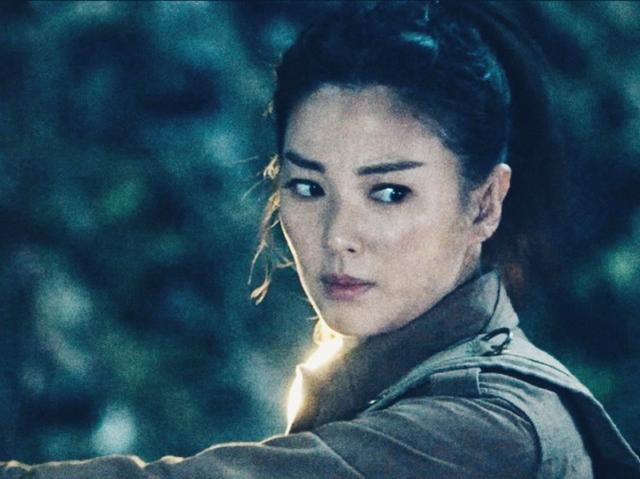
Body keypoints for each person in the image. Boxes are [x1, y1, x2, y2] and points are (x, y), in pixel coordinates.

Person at [2, 1, 639, 478]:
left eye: (388, 193)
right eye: (308, 187)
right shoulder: (386, 382)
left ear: (484, 203)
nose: (338, 236)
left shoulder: (490, 427)